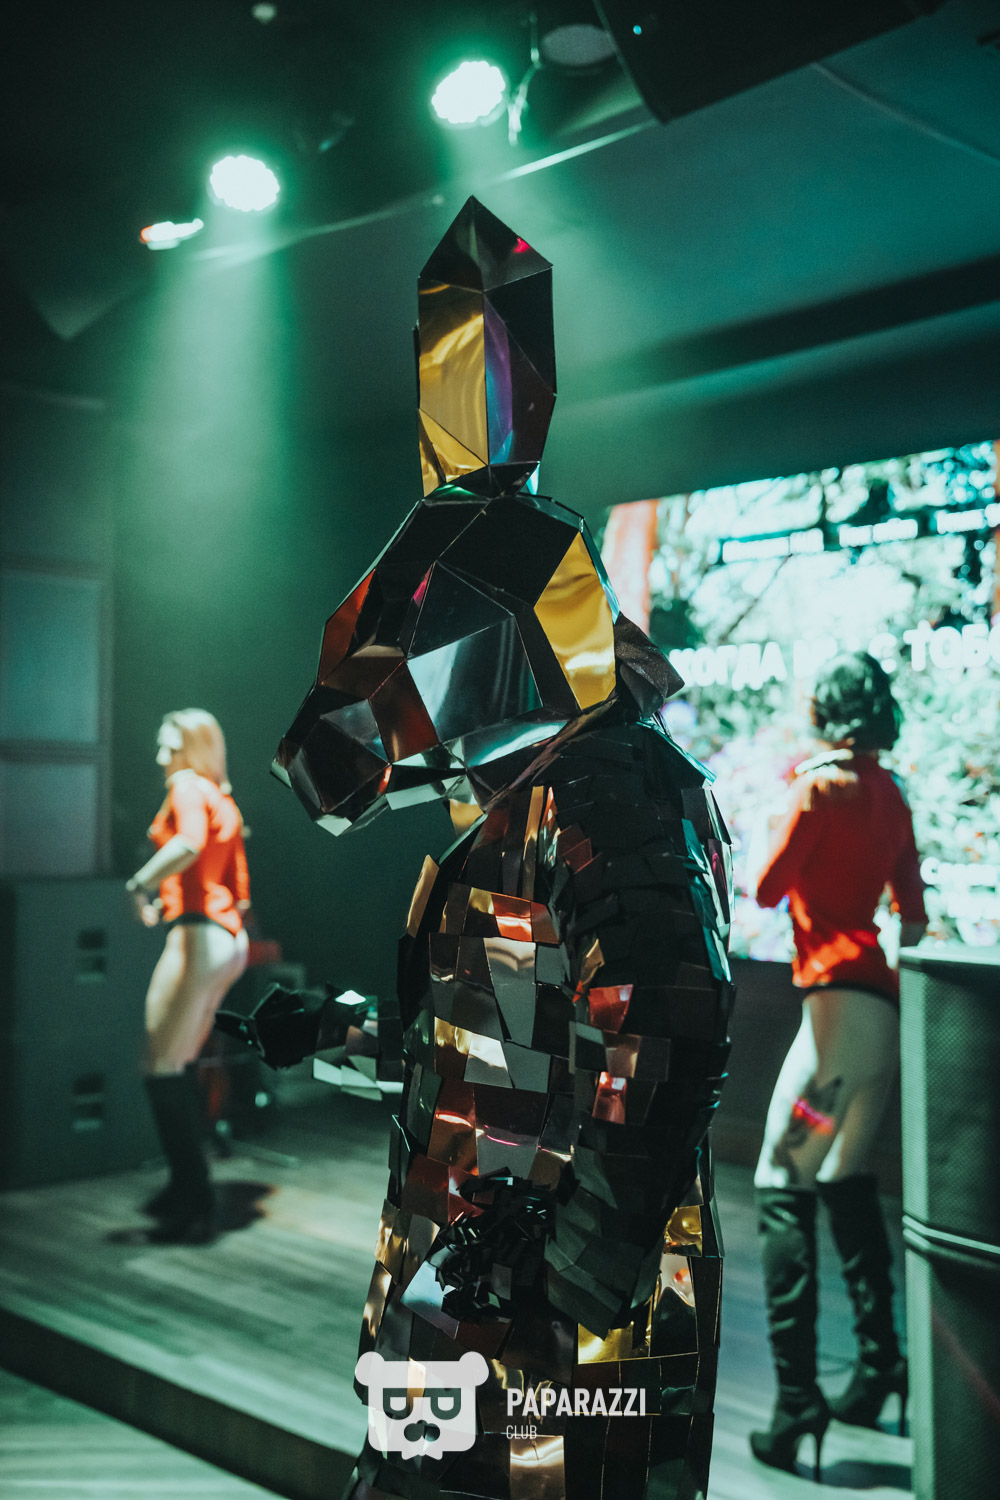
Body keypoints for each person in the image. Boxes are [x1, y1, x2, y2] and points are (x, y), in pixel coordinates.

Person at [746, 652, 926, 1478]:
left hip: (835, 1030)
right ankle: (882, 1366)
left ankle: (796, 1404)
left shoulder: (818, 788)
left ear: (829, 709)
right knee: (844, 1179)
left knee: (780, 1180)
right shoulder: (892, 793)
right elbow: (913, 917)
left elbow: (765, 888)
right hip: (880, 1018)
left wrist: (776, 812)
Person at [125, 709, 250, 1242]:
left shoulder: (187, 787)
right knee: (175, 1065)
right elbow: (238, 891)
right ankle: (188, 1186)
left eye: (171, 747)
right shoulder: (222, 796)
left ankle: (192, 1195)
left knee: (159, 1066)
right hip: (227, 939)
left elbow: (189, 843)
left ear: (194, 748)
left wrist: (139, 884)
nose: (161, 758)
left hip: (199, 936)